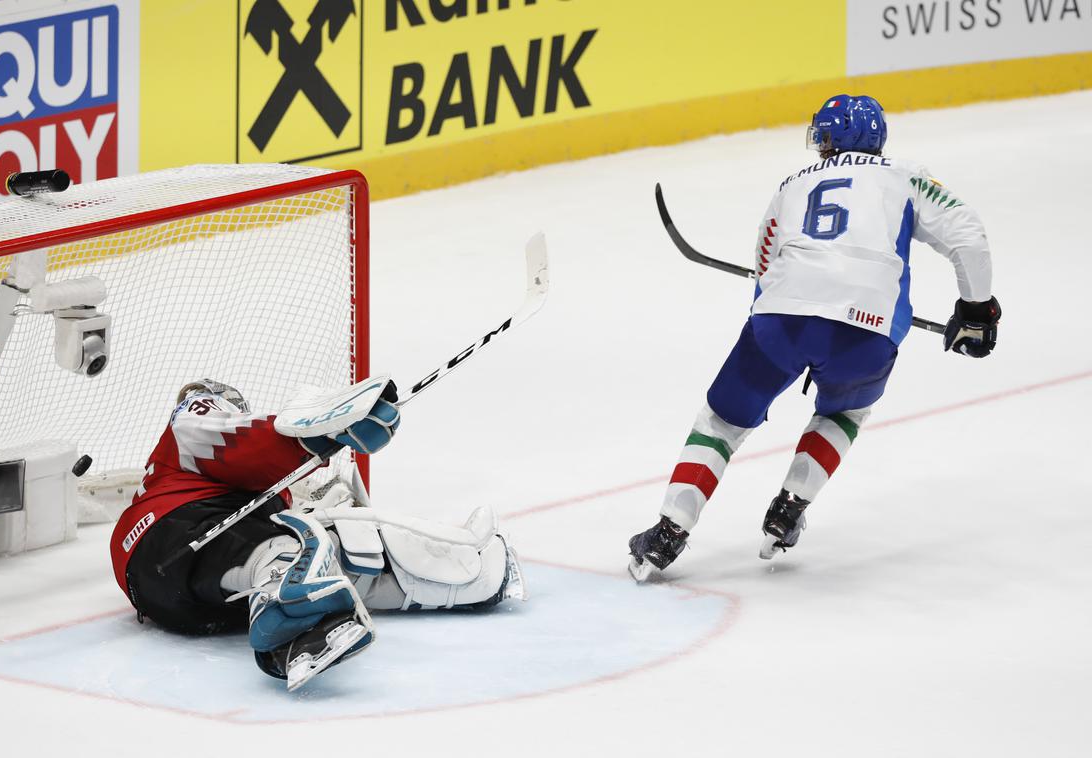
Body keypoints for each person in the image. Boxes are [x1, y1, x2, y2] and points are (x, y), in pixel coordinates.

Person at [628, 94, 1001, 581]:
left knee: (721, 421)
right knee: (843, 412)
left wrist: (775, 324)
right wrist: (976, 311)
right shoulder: (904, 174)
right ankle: (788, 509)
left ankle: (667, 532)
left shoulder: (792, 183)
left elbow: (765, 260)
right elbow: (968, 235)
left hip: (780, 322)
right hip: (866, 336)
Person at [110, 379, 525, 691]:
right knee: (289, 542)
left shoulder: (248, 493)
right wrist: (317, 434)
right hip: (168, 536)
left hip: (186, 603)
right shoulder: (190, 422)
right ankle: (286, 596)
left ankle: (467, 578)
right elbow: (239, 443)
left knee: (335, 545)